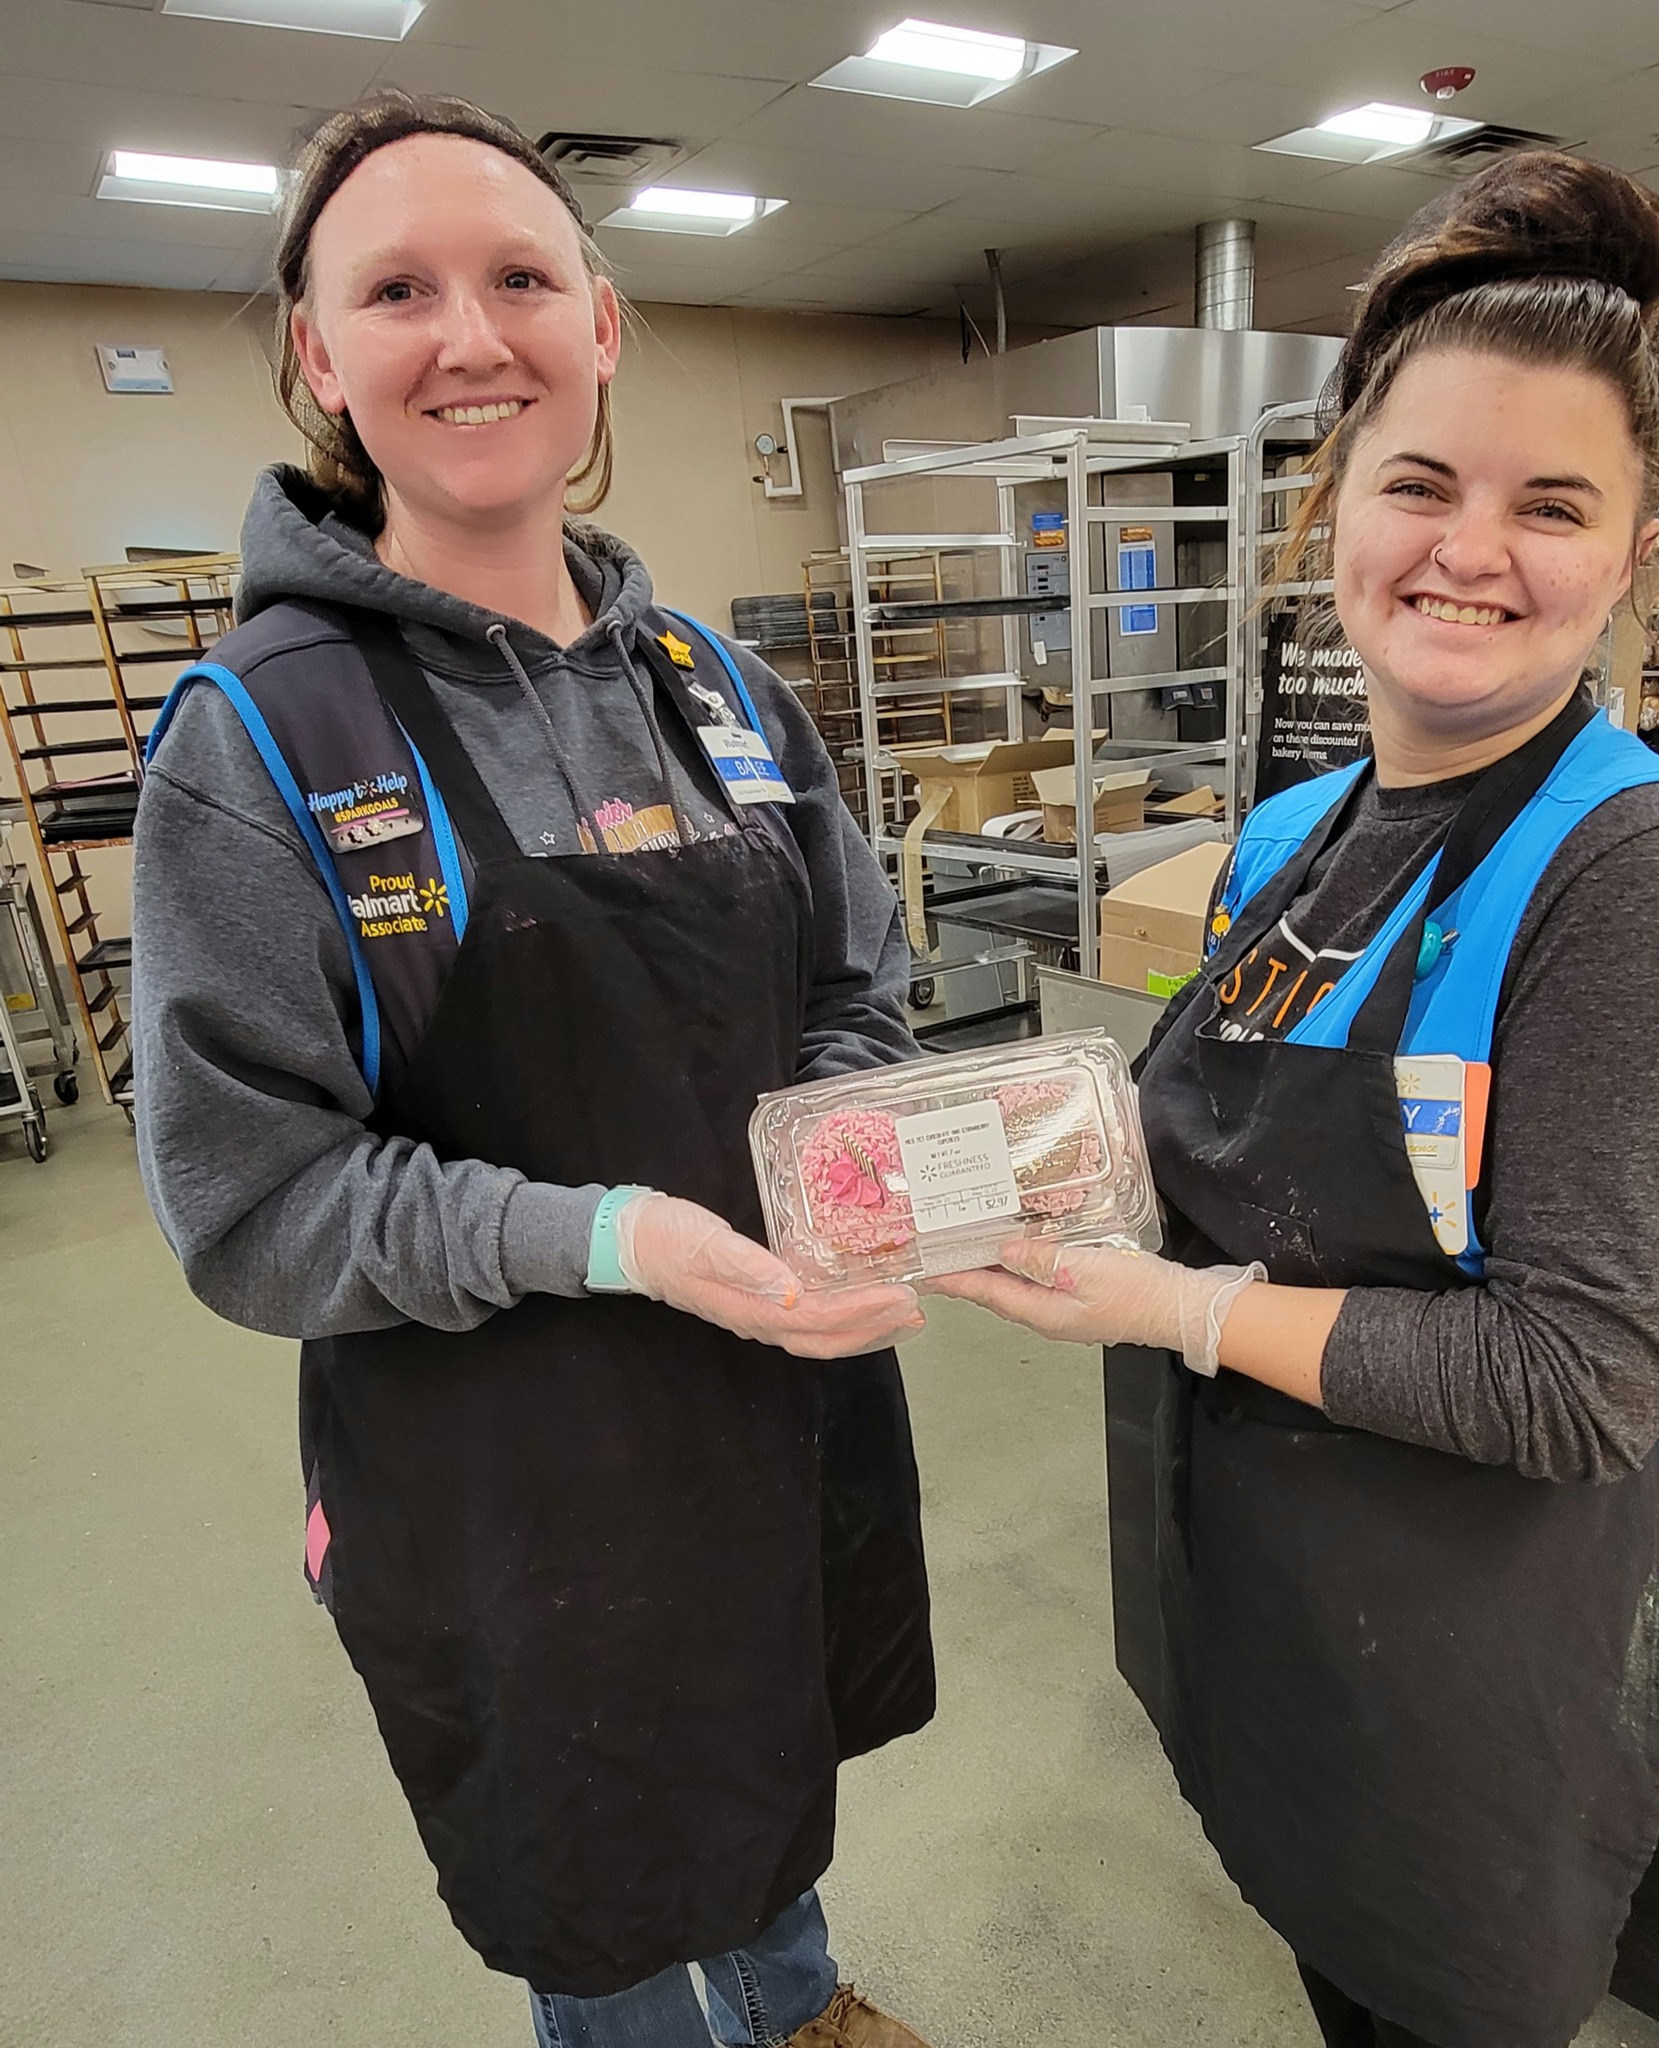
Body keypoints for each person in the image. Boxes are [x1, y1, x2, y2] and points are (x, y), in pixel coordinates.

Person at [932, 152, 1659, 2048]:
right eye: (1421, 483)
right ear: (1334, 503)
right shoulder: (1294, 836)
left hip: (1480, 1669)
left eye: (1551, 504)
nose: (1470, 549)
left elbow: (1579, 1380)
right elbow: (1215, 1144)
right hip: (1291, 1600)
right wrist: (981, 1161)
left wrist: (1176, 1311)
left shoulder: (1638, 878)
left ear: (1633, 553)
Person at [133, 93, 937, 2048]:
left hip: (761, 1404)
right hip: (503, 1479)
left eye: (518, 278)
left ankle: (799, 2005)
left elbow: (858, 982)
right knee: (590, 1856)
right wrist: (613, 1239)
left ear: (602, 326)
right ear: (320, 358)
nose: (471, 337)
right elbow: (254, 1203)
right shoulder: (262, 737)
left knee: (762, 1738)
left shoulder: (721, 695)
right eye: (396, 291)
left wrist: (855, 1154)